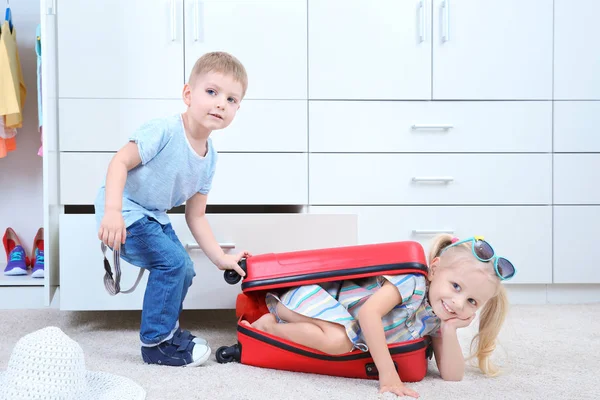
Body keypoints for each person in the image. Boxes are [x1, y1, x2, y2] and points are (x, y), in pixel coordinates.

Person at [95, 51, 250, 367]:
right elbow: (119, 162)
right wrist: (112, 211)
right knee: (173, 263)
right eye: (212, 92)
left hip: (152, 214)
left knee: (185, 268)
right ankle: (156, 343)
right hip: (124, 208)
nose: (221, 103)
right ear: (188, 95)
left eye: (232, 99)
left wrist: (221, 259)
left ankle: (168, 331)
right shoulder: (164, 130)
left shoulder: (210, 159)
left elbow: (196, 215)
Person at [242, 234, 515, 397]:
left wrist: (450, 330)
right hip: (309, 298)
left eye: (471, 301)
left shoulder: (434, 318)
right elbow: (369, 314)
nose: (457, 303)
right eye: (455, 286)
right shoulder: (413, 282)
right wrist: (388, 374)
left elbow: (451, 376)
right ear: (434, 269)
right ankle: (270, 325)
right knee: (340, 342)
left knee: (341, 339)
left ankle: (277, 322)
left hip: (328, 319)